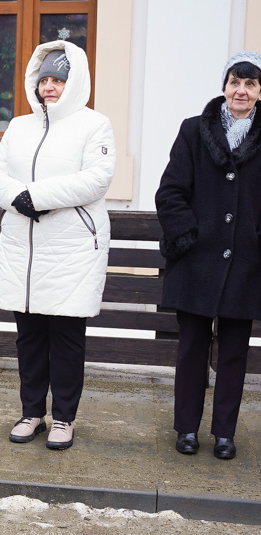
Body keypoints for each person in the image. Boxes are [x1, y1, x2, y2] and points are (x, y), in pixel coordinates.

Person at [0, 41, 116, 450]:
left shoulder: (95, 125)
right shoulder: (19, 126)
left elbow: (96, 178)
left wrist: (35, 196)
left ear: (73, 83)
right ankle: (32, 413)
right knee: (29, 337)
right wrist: (17, 197)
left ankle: (64, 419)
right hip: (25, 248)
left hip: (71, 248)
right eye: (44, 80)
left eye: (59, 80)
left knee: (66, 336)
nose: (50, 88)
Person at [155, 51, 261, 461]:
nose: (241, 90)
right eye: (236, 81)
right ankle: (186, 429)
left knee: (235, 351)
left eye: (250, 84)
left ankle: (224, 433)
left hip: (246, 264)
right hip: (196, 260)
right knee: (191, 349)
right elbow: (170, 193)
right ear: (224, 86)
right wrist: (189, 236)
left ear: (259, 92)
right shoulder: (194, 130)